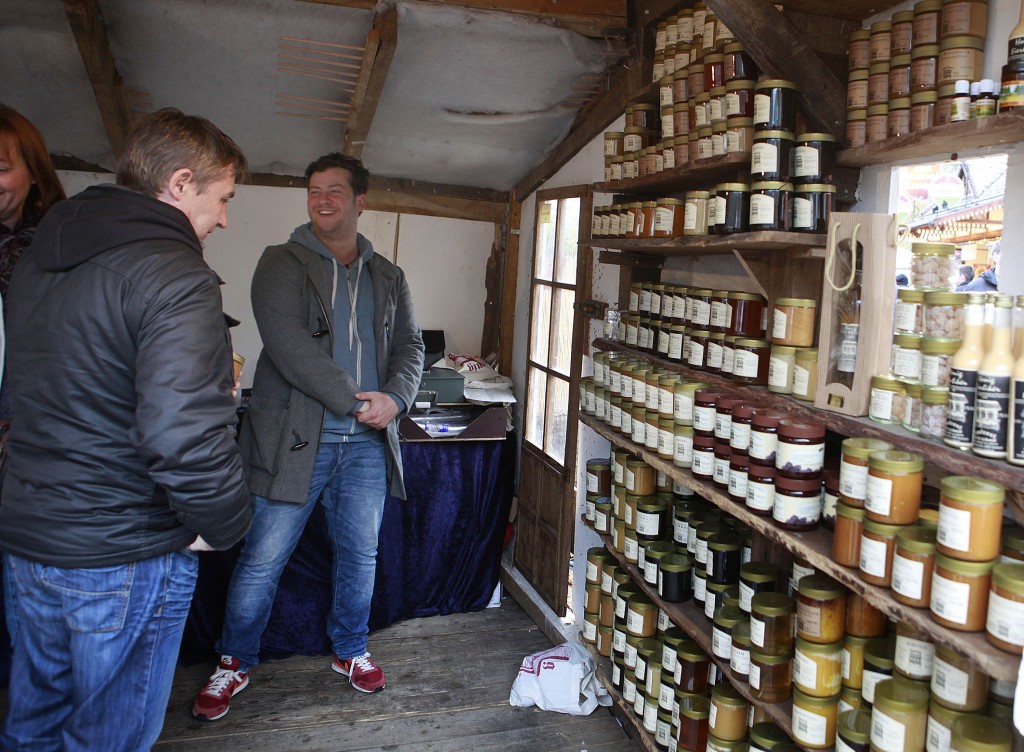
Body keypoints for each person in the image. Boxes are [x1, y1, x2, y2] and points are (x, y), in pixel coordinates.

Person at [0, 108, 253, 751]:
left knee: (34, 726)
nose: (224, 218)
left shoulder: (36, 260)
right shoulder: (176, 273)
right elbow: (184, 437)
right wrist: (226, 523)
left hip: (30, 538)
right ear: (181, 182)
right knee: (109, 739)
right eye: (223, 198)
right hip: (123, 550)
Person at [192, 153, 424, 721]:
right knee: (263, 558)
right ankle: (234, 661)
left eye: (335, 190)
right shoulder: (281, 261)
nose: (322, 199)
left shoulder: (389, 275)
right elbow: (289, 346)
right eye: (314, 190)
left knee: (360, 556)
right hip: (296, 439)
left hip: (366, 444)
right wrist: (357, 401)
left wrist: (396, 399)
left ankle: (351, 650)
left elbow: (411, 347)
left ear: (360, 201)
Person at [0, 104, 66, 648]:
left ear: (34, 174)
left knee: (23, 581)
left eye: (1, 168)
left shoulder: (60, 246)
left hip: (29, 437)